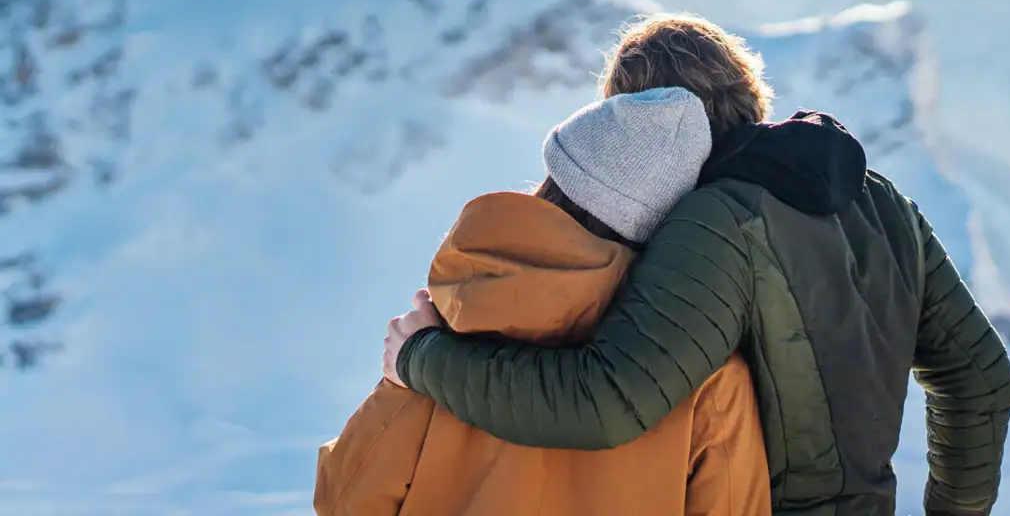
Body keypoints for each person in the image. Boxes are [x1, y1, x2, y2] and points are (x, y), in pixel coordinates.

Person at [387, 14, 1010, 515]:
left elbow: (607, 401)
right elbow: (981, 379)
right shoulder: (880, 200)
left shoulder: (715, 225)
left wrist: (423, 358)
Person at [315, 85, 771, 516]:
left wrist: (399, 385)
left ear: (554, 181)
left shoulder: (449, 324)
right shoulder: (705, 376)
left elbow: (345, 502)